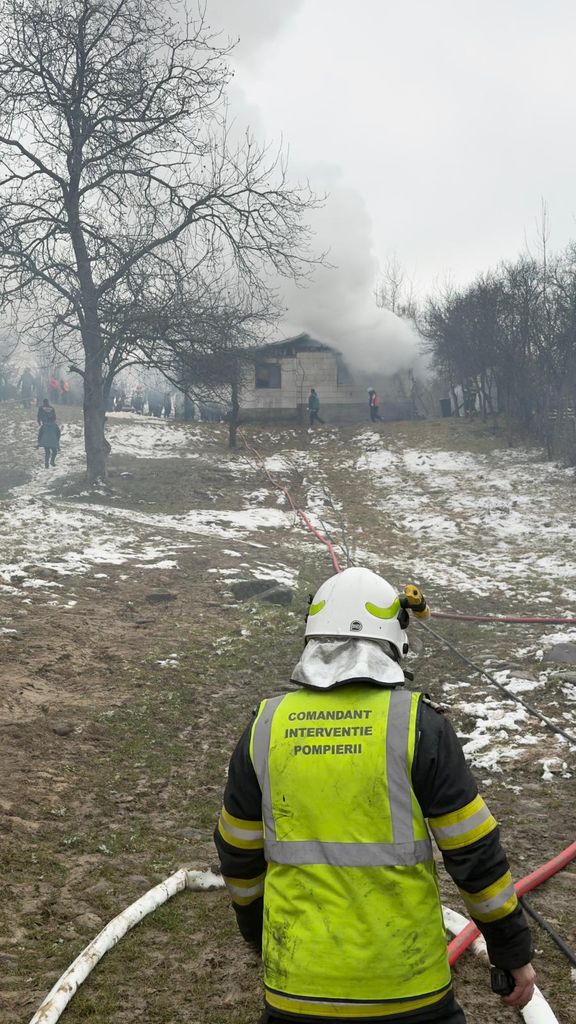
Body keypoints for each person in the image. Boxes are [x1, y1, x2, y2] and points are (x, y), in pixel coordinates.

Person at [214, 566, 535, 1024]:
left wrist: (256, 932)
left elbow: (237, 852)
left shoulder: (265, 727)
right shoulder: (419, 726)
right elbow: (474, 854)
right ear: (394, 639)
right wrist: (511, 951)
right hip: (409, 986)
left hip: (298, 987)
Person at [37, 399, 61, 468]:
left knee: (47, 452)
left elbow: (40, 434)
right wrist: (57, 442)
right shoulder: (52, 408)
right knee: (54, 451)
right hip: (53, 441)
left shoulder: (41, 408)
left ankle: (46, 464)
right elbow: (58, 434)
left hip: (45, 440)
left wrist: (39, 442)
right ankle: (52, 461)